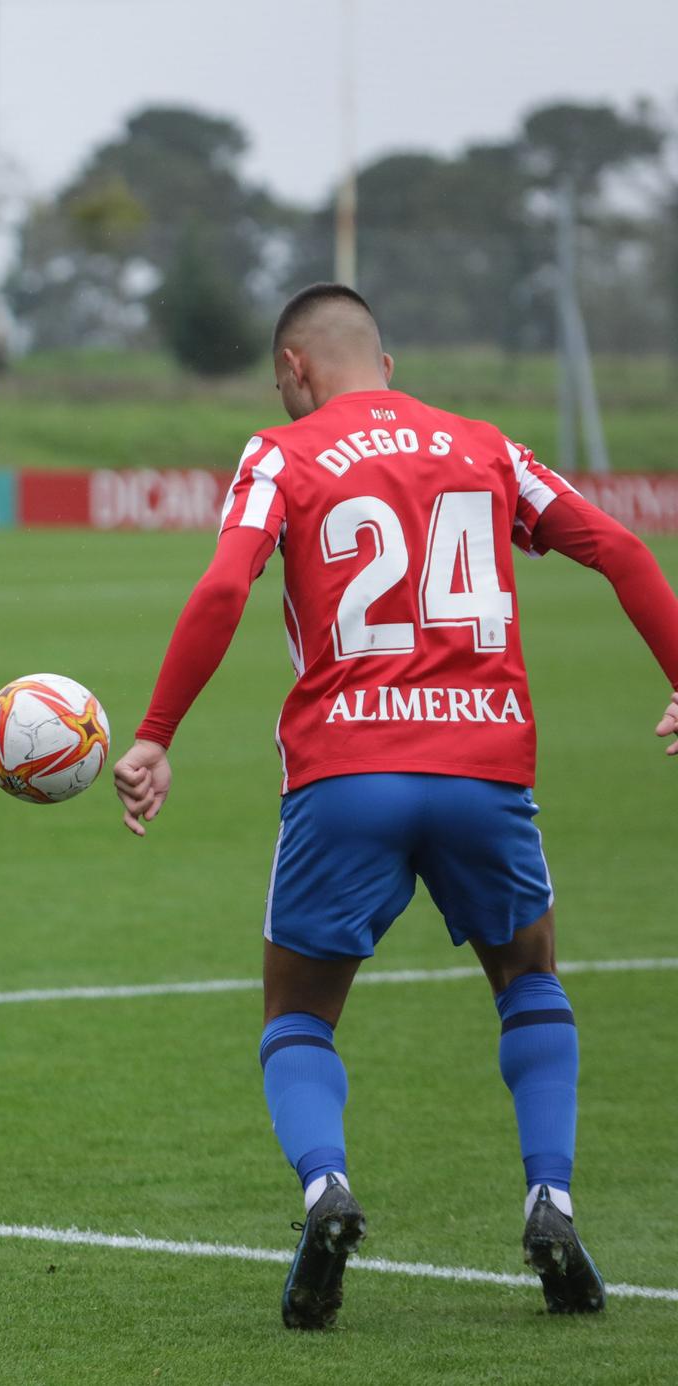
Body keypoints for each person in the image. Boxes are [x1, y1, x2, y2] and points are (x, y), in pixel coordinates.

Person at [110, 283, 678, 1328]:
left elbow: (224, 590)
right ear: (383, 354)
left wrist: (154, 733)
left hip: (345, 777)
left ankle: (325, 1190)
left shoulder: (278, 454)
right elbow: (622, 551)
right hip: (483, 768)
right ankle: (549, 1200)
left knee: (296, 1015)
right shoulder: (485, 446)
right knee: (527, 981)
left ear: (291, 366)